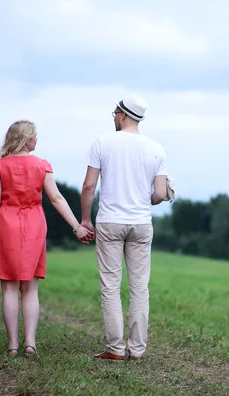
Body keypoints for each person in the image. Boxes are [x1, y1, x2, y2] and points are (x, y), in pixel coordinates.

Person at [0, 120, 93, 357]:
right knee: (30, 288)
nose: (37, 140)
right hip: (34, 226)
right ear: (26, 139)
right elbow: (56, 198)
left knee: (9, 288)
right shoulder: (42, 165)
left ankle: (13, 345)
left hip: (6, 226)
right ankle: (30, 343)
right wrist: (76, 226)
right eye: (35, 136)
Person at [80, 93, 168, 360]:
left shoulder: (102, 142)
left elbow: (88, 186)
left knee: (110, 285)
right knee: (140, 287)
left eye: (114, 114)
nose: (114, 118)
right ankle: (138, 350)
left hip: (110, 221)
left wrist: (85, 220)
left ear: (122, 114)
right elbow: (160, 194)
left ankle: (116, 349)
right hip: (141, 223)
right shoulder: (157, 149)